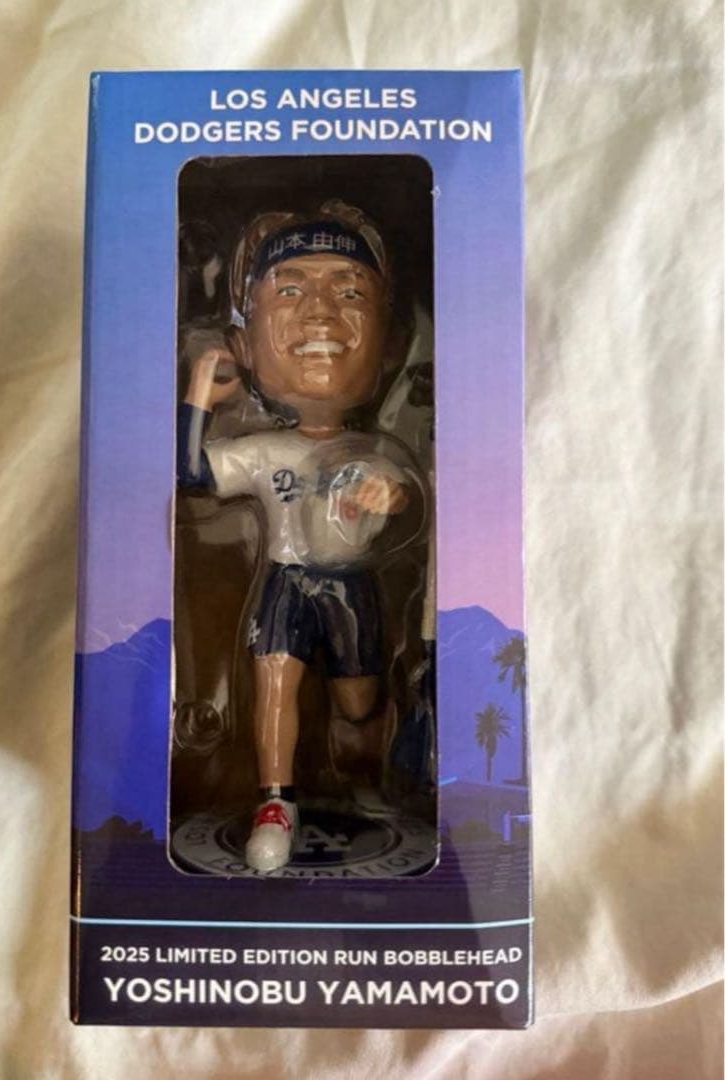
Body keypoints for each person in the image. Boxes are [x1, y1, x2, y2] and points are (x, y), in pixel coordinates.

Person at [177, 202, 414, 872]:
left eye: (349, 292)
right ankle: (275, 804)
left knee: (357, 701)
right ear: (246, 344)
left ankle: (368, 771)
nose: (318, 314)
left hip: (350, 589)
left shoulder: (375, 450)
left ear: (390, 343)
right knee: (274, 682)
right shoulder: (263, 450)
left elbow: (403, 492)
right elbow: (192, 474)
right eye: (288, 290)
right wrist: (198, 397)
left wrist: (390, 493)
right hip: (284, 581)